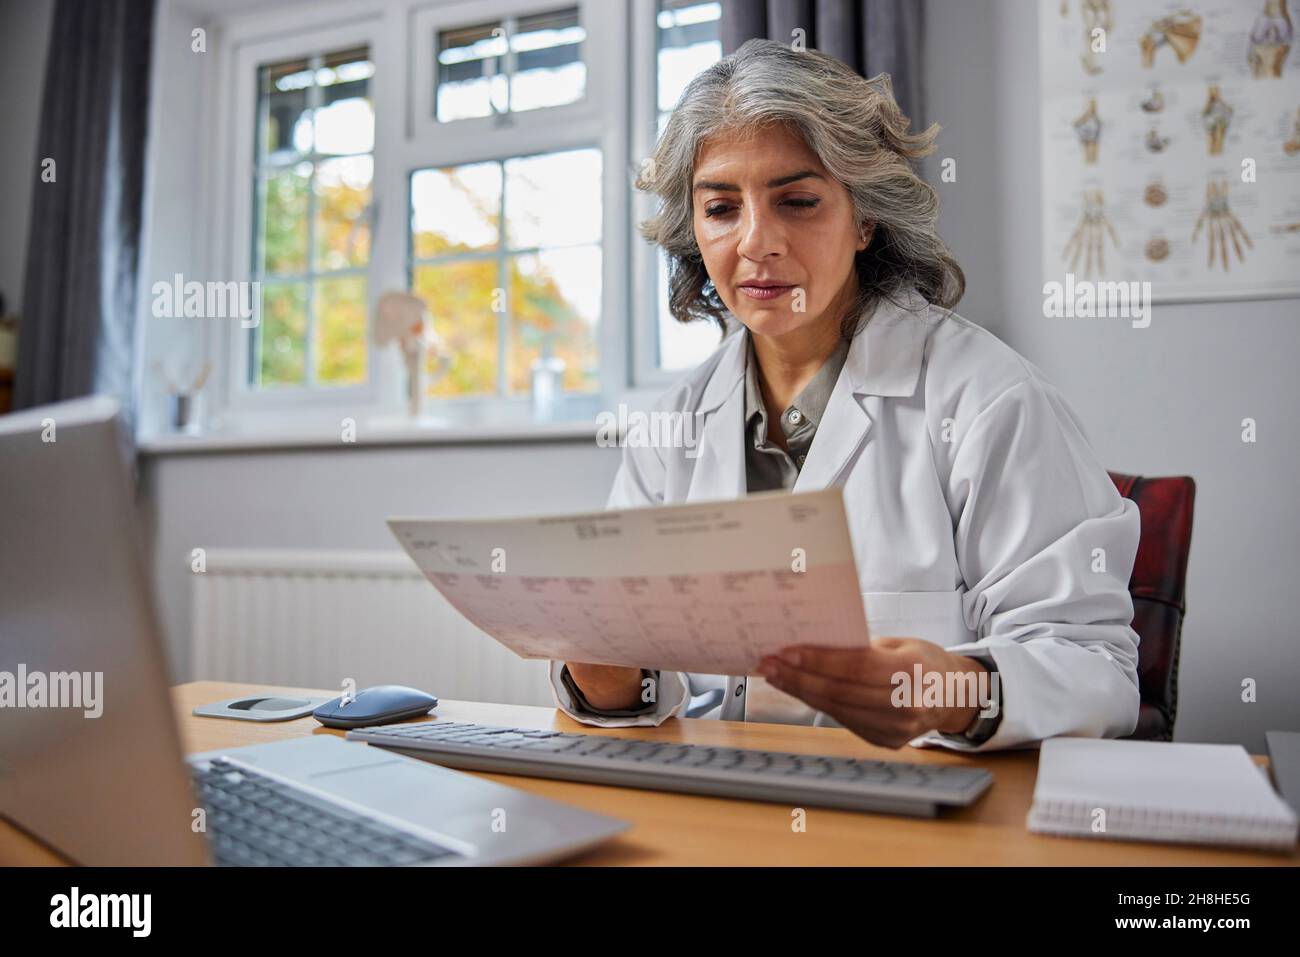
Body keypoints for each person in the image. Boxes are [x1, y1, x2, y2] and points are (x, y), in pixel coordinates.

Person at [552, 39, 1141, 751]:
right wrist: (604, 675)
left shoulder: (990, 399)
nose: (756, 243)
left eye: (797, 201)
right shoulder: (674, 426)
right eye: (720, 209)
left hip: (925, 824)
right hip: (724, 807)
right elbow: (649, 683)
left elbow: (1095, 669)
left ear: (865, 217)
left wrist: (952, 692)